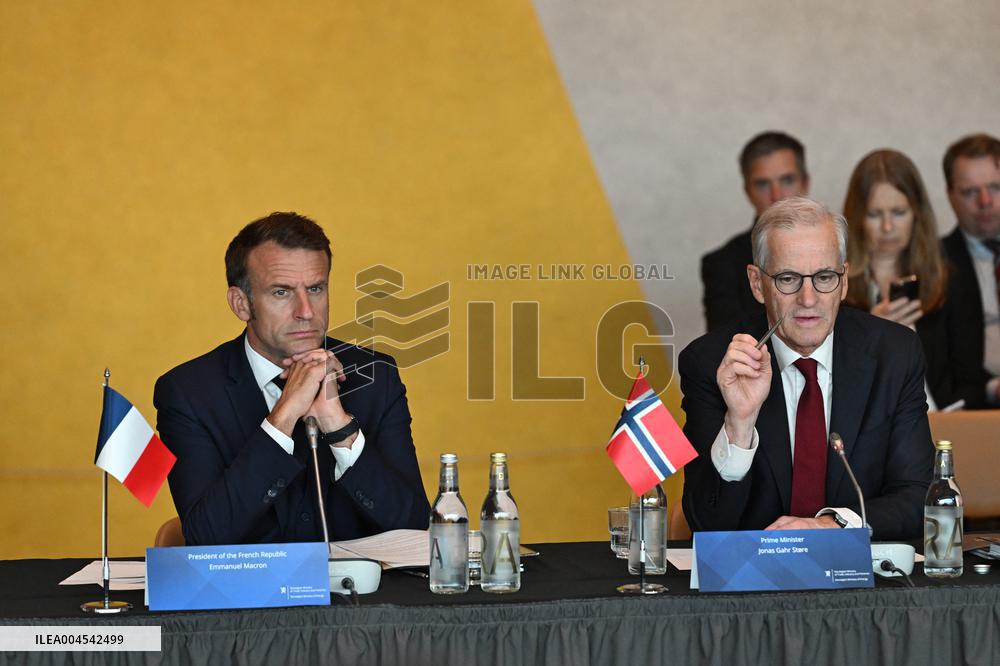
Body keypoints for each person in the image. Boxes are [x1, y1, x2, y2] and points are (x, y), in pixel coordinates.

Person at [154, 212, 430, 545]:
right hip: (252, 581)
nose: (306, 311)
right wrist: (282, 417)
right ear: (241, 304)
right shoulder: (188, 392)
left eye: (315, 288)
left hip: (361, 580)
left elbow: (414, 527)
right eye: (281, 292)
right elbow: (205, 537)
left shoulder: (375, 376)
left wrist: (339, 427)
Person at [681, 197, 932, 540]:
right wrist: (739, 423)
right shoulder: (712, 363)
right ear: (757, 283)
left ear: (844, 281)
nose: (808, 299)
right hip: (755, 570)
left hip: (859, 570)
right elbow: (707, 524)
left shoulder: (894, 355)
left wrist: (832, 526)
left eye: (825, 277)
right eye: (788, 278)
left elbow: (920, 497)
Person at [842, 149, 986, 410]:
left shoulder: (949, 278)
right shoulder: (835, 285)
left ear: (917, 213)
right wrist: (872, 335)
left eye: (898, 212)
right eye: (875, 214)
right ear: (857, 218)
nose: (888, 227)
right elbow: (833, 388)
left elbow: (970, 381)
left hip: (943, 424)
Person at [701, 131, 810, 332]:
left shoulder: (843, 249)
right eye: (763, 184)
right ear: (747, 191)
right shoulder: (723, 265)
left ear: (805, 183)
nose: (776, 195)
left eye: (787, 180)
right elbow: (722, 343)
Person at [940, 134, 1000, 405]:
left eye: (995, 187)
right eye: (970, 192)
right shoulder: (935, 265)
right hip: (974, 409)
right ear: (951, 196)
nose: (985, 201)